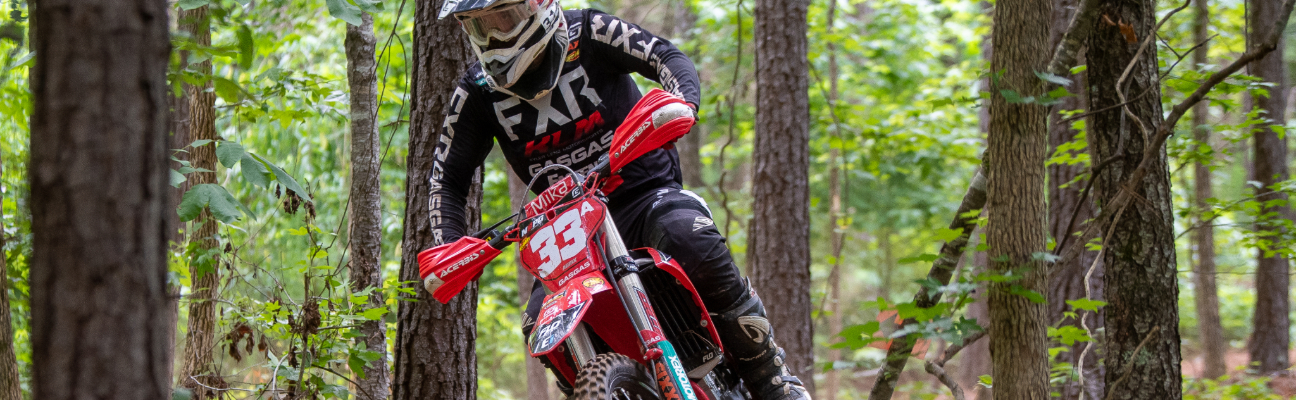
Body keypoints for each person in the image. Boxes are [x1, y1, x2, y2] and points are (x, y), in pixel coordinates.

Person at [429, 0, 811, 398]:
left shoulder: (589, 30)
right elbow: (447, 177)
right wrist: (450, 246)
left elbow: (665, 55)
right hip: (567, 229)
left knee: (687, 236)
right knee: (537, 321)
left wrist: (682, 102)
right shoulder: (476, 89)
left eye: (502, 20)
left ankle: (771, 376)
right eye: (479, 27)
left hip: (643, 194)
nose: (493, 37)